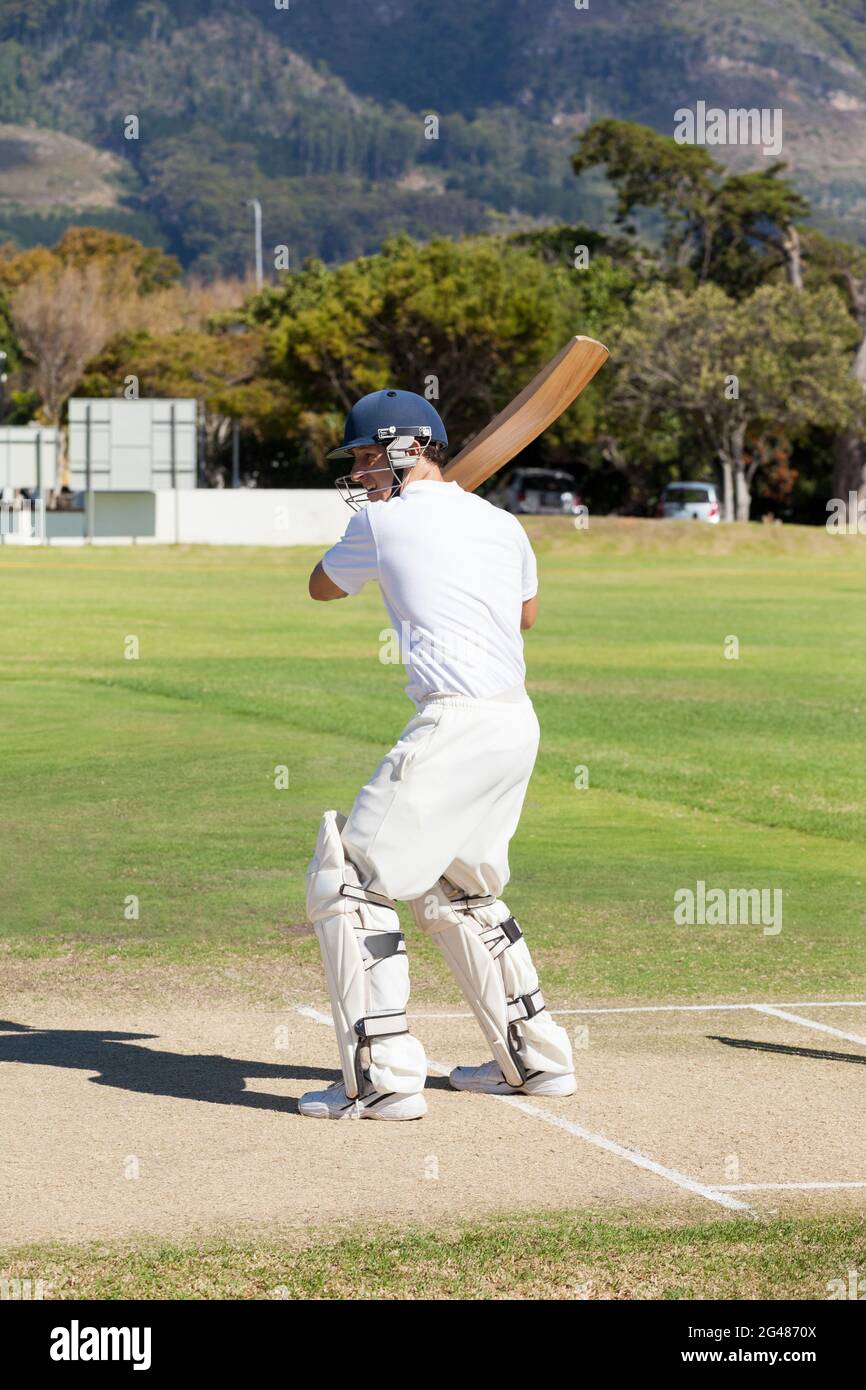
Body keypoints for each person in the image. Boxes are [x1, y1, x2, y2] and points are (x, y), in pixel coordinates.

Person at [301, 388, 574, 1120]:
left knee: (350, 877)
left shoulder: (381, 524)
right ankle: (535, 1058)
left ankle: (383, 1076)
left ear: (407, 449)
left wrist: (390, 534)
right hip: (514, 723)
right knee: (463, 890)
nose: (358, 473)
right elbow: (527, 616)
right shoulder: (504, 524)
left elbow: (321, 588)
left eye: (366, 457)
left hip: (454, 723)